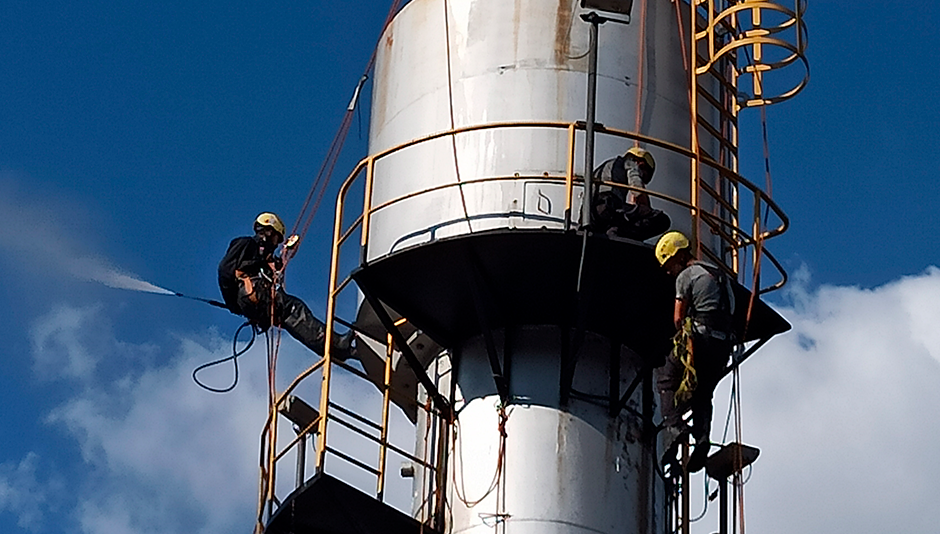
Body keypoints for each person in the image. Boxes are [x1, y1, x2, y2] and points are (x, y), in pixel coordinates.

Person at [218, 212, 355, 360]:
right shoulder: (245, 243)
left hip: (254, 299)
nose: (276, 243)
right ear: (269, 232)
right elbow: (225, 270)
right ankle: (338, 345)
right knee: (294, 309)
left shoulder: (264, 259)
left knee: (291, 320)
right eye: (277, 238)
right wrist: (234, 305)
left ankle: (335, 350)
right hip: (253, 293)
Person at [654, 231, 735, 473]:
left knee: (666, 378)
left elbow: (678, 318)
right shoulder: (721, 276)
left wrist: (682, 337)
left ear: (679, 256)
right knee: (702, 394)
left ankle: (674, 426)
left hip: (700, 338)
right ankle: (702, 440)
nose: (669, 271)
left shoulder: (686, 275)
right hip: (723, 345)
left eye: (669, 265)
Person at [592, 147, 671, 241]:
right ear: (640, 163)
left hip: (593, 216)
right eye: (644, 174)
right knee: (662, 220)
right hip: (610, 206)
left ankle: (613, 231)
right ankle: (620, 234)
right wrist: (647, 212)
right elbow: (637, 189)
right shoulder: (630, 163)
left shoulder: (604, 166)